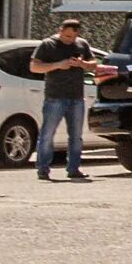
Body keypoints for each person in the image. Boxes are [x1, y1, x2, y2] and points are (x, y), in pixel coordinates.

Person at [30, 19, 103, 181]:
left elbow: (93, 64)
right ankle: (43, 169)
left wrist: (82, 63)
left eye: (73, 37)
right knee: (48, 134)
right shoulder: (47, 44)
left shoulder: (81, 44)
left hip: (76, 96)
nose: (70, 39)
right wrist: (58, 65)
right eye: (67, 35)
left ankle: (74, 168)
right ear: (60, 30)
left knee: (76, 135)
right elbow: (34, 67)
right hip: (55, 96)